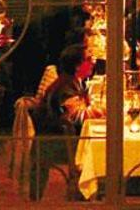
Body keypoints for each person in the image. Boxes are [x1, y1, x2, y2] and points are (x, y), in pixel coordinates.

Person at [30, 44, 103, 200]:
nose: (93, 62)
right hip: (57, 144)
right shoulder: (66, 86)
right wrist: (103, 110)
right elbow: (77, 116)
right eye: (89, 59)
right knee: (104, 148)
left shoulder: (72, 82)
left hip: (59, 139)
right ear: (77, 66)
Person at [4, 0, 48, 98]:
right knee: (18, 73)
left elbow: (42, 16)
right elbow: (9, 15)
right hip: (19, 38)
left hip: (36, 39)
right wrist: (7, 21)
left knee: (35, 74)